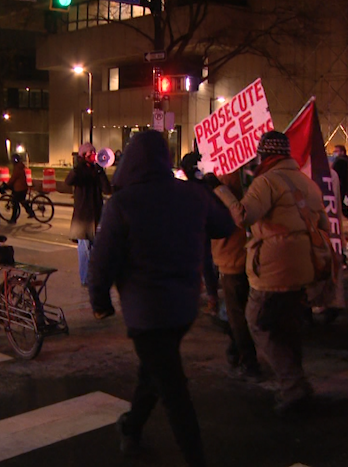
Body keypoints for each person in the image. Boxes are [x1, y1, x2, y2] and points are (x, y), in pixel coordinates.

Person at [88, 131, 235, 467]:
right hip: (184, 307)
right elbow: (225, 225)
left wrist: (100, 302)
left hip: (146, 313)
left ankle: (194, 457)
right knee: (156, 372)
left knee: (173, 389)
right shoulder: (192, 195)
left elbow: (102, 260)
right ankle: (131, 427)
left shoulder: (122, 204)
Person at [210, 131, 327, 413]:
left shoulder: (267, 182)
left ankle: (293, 386)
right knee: (287, 326)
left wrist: (220, 189)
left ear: (266, 154)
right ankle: (298, 383)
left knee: (258, 321)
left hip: (276, 267)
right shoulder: (306, 182)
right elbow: (322, 222)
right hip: (304, 266)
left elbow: (243, 216)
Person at [181, 152, 261, 381]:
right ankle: (238, 348)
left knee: (238, 312)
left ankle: (247, 357)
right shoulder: (254, 176)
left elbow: (217, 213)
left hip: (234, 254)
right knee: (242, 309)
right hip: (253, 253)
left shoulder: (224, 180)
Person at [65, 142, 112, 287]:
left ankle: (95, 276)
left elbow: (107, 189)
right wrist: (79, 167)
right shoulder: (79, 171)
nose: (93, 155)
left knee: (97, 249)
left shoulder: (96, 170)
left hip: (97, 214)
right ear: (83, 155)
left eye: (94, 152)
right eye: (90, 153)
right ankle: (86, 278)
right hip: (83, 216)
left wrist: (100, 171)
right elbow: (69, 181)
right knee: (85, 251)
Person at [5, 152, 35, 223]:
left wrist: (7, 184)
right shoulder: (21, 166)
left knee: (15, 203)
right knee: (22, 201)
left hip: (19, 189)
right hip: (24, 187)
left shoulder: (17, 168)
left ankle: (13, 219)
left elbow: (13, 178)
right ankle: (31, 212)